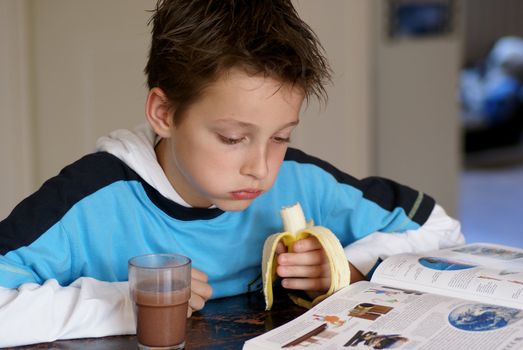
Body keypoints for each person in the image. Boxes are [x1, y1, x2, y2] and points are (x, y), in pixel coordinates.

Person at [0, 0, 464, 347]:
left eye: (281, 137)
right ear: (164, 112)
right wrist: (128, 303)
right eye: (231, 138)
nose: (261, 168)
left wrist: (349, 265)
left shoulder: (300, 181)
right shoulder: (88, 201)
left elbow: (440, 229)